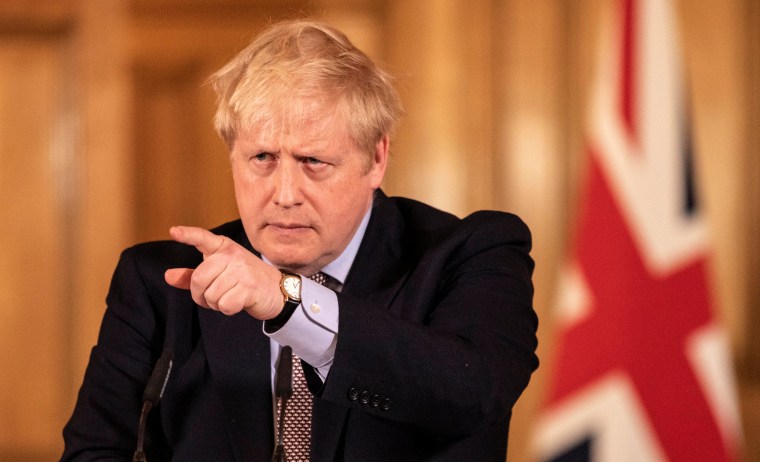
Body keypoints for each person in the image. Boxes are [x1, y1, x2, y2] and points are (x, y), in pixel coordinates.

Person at [62, 19, 538, 461]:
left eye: (313, 162)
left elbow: (473, 394)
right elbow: (94, 452)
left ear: (376, 158)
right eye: (262, 157)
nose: (285, 195)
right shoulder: (162, 283)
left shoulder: (472, 254)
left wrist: (287, 301)